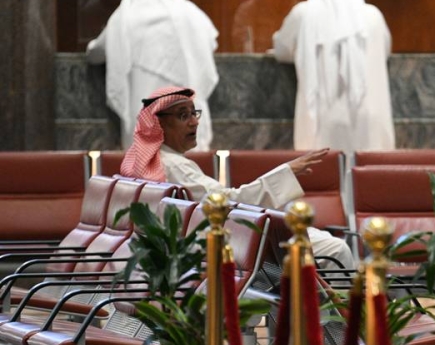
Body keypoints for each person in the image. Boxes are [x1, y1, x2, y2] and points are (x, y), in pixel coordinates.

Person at [119, 85, 355, 268]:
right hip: (217, 247)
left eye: (194, 113)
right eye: (183, 116)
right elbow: (231, 204)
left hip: (201, 246)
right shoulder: (173, 165)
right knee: (335, 249)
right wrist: (287, 171)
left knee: (319, 239)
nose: (194, 122)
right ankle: (341, 317)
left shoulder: (157, 161)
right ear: (158, 124)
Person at [86, 0, 219, 151]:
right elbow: (211, 43)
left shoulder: (124, 18)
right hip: (186, 117)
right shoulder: (190, 14)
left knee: (148, 168)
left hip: (144, 120)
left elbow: (96, 54)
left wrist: (90, 46)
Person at [272, 0, 395, 153]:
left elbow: (282, 50)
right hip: (369, 115)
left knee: (323, 168)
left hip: (322, 115)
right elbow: (385, 50)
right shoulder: (373, 15)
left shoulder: (304, 13)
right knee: (368, 167)